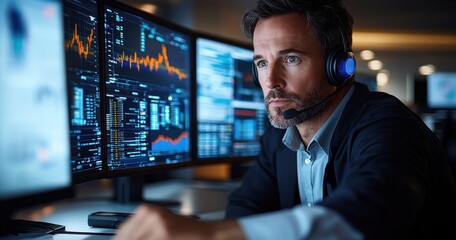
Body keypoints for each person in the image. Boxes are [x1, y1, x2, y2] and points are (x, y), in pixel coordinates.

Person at [114, 0, 456, 239]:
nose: (270, 81)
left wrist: (216, 236)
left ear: (340, 67)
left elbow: (372, 213)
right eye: (262, 62)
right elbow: (247, 205)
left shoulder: (387, 125)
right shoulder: (282, 134)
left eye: (290, 58)